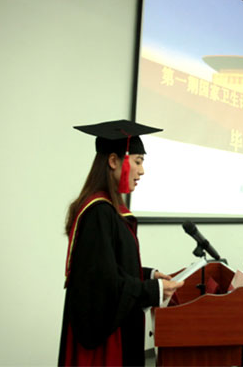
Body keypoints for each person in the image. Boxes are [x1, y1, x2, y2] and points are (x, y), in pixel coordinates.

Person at [58, 119, 183, 366]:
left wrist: (148, 275)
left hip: (115, 328)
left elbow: (110, 266)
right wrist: (152, 291)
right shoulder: (98, 212)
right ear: (113, 161)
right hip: (104, 343)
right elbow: (101, 285)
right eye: (138, 161)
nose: (142, 171)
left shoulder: (111, 211)